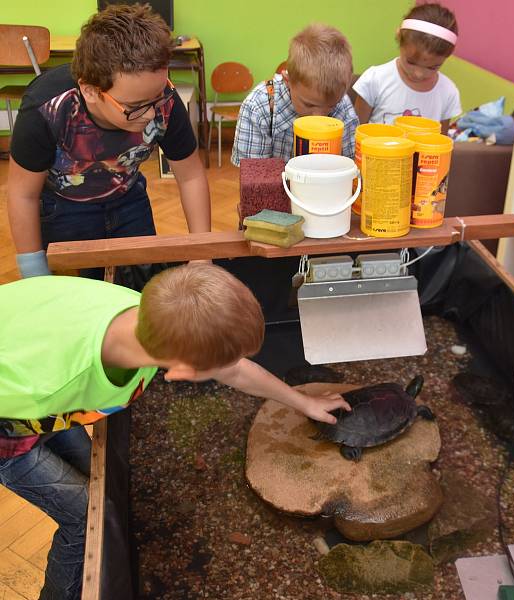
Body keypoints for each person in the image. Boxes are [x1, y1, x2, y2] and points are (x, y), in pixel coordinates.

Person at [0, 263, 349, 599]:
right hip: (12, 424)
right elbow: (45, 376)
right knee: (83, 516)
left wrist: (303, 402)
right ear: (181, 373)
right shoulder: (50, 385)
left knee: (101, 498)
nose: (231, 368)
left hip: (34, 363)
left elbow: (237, 371)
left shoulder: (150, 316)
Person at [7, 4, 211, 280]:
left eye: (159, 95)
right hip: (63, 210)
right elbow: (23, 195)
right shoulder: (46, 109)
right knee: (79, 299)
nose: (152, 113)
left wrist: (201, 254)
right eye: (135, 105)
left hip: (129, 201)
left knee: (141, 288)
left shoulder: (163, 101)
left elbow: (191, 176)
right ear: (90, 91)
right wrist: (35, 275)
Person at [231, 24, 358, 165]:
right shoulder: (258, 107)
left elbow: (349, 167)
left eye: (331, 106)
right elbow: (252, 179)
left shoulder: (343, 105)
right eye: (309, 104)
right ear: (288, 81)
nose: (318, 117)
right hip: (273, 186)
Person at [352, 2, 462, 133]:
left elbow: (440, 142)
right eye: (411, 62)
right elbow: (355, 135)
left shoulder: (448, 92)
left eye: (432, 67)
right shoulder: (375, 80)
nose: (418, 74)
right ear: (399, 37)